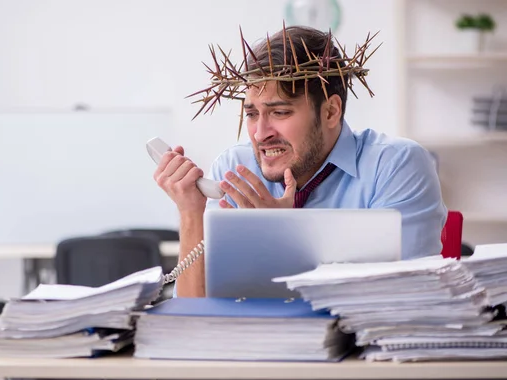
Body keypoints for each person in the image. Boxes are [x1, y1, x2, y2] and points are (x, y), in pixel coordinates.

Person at [153, 25, 447, 298]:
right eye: (252, 114)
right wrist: (191, 213)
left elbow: (408, 298)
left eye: (279, 112)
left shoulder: (396, 166)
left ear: (331, 111)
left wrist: (284, 236)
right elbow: (195, 311)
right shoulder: (235, 169)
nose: (259, 134)